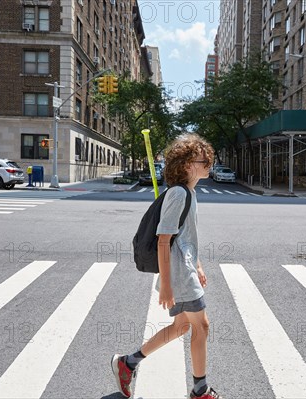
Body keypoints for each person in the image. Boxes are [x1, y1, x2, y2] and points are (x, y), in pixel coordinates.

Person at [111, 134, 221, 399]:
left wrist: (199, 265)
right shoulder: (179, 194)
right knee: (201, 326)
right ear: (186, 165)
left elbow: (185, 237)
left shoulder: (189, 193)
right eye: (203, 160)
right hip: (179, 275)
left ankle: (128, 363)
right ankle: (200, 389)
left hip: (185, 269)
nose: (209, 164)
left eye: (209, 159)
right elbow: (163, 240)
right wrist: (168, 286)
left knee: (182, 327)